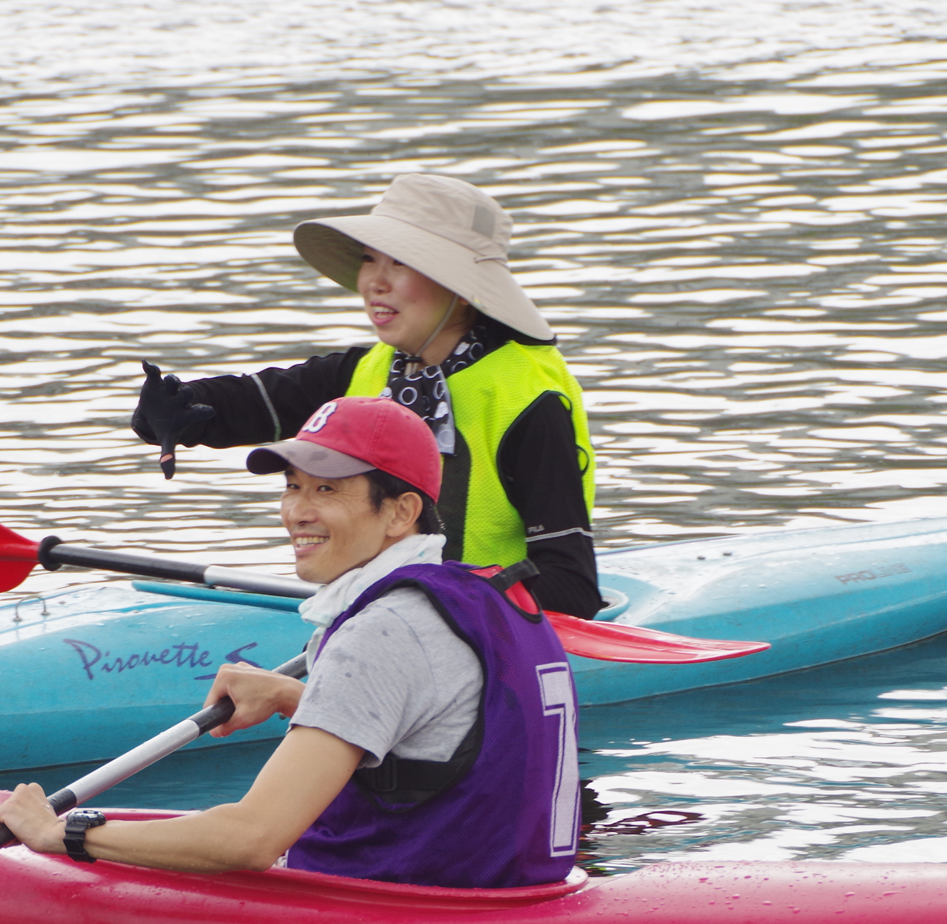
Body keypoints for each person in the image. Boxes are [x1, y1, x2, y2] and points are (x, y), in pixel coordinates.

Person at [0, 396, 583, 889]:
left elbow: (251, 839)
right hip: (514, 891)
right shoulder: (481, 595)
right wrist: (299, 695)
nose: (297, 511)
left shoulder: (381, 631)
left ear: (401, 512)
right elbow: (444, 736)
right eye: (293, 487)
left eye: (327, 491)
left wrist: (61, 835)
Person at [132, 173, 601, 619]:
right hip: (382, 614)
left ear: (461, 289)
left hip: (486, 629)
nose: (375, 282)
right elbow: (244, 404)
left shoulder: (530, 401)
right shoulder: (368, 370)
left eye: (401, 263)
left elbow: (571, 587)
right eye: (370, 259)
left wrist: (433, 612)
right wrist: (172, 409)